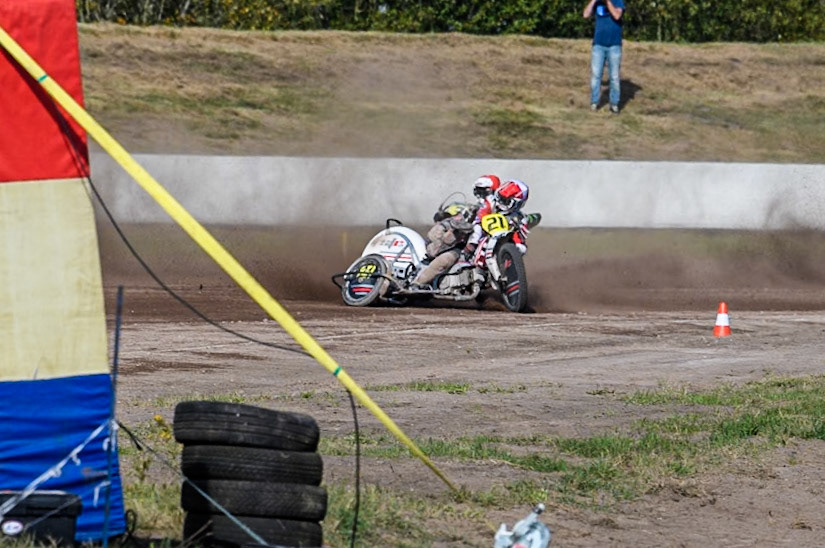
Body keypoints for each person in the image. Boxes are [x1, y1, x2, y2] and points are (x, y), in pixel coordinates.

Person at [465, 179, 531, 256]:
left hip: (505, 238)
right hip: (486, 233)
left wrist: (519, 245)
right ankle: (471, 245)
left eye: (506, 201)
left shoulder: (518, 216)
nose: (500, 202)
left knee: (522, 247)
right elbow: (479, 217)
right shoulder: (490, 202)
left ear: (517, 204)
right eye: (500, 197)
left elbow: (521, 232)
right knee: (476, 226)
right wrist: (474, 240)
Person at [412, 209, 474, 289]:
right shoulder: (443, 227)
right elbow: (435, 238)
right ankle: (417, 283)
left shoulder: (475, 222)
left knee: (445, 259)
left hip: (457, 250)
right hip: (444, 251)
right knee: (443, 260)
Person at [583, 0, 625, 114]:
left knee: (614, 76)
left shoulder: (618, 1)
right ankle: (594, 102)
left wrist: (607, 2)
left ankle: (614, 104)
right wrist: (593, 1)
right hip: (598, 45)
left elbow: (617, 15)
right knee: (596, 75)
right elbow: (585, 14)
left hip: (614, 45)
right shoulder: (597, 3)